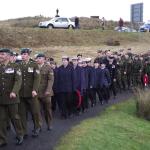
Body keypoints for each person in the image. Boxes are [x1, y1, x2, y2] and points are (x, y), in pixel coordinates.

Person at [0, 48, 24, 147]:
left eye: (3, 54)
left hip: (12, 97)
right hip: (1, 98)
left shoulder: (15, 66)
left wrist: (14, 91)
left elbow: (18, 81)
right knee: (1, 119)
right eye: (0, 54)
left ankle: (20, 135)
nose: (0, 56)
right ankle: (2, 139)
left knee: (15, 117)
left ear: (9, 56)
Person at [19, 48, 41, 138]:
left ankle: (37, 127)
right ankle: (24, 131)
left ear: (28, 55)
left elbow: (37, 78)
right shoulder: (18, 65)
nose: (23, 56)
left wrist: (34, 90)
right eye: (22, 54)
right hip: (21, 93)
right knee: (22, 114)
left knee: (34, 112)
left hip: (31, 93)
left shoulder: (34, 64)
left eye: (25, 54)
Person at [36, 53, 54, 131]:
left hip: (46, 92)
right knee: (37, 110)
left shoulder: (48, 68)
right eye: (37, 58)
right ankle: (39, 125)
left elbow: (51, 80)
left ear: (44, 59)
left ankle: (49, 124)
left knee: (47, 110)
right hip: (36, 92)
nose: (38, 59)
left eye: (40, 58)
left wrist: (48, 90)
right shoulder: (34, 67)